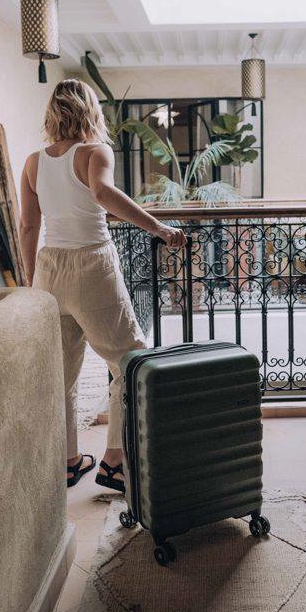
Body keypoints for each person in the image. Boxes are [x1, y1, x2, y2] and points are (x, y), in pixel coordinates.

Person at [19, 78, 186, 490]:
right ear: (89, 110)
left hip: (49, 270)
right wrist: (159, 228)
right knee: (130, 362)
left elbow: (27, 226)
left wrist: (31, 283)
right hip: (92, 265)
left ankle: (68, 460)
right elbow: (102, 192)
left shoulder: (33, 162)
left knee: (61, 374)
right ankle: (115, 462)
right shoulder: (95, 151)